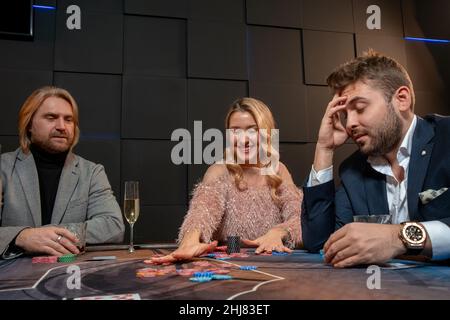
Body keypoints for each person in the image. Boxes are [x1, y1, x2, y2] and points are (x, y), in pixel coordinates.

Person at [301, 50, 450, 267]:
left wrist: (397, 238)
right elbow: (319, 242)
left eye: (360, 108)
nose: (350, 123)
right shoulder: (353, 170)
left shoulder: (446, 136)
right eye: (345, 114)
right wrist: (324, 149)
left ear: (401, 99)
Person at [153, 97, 303, 263]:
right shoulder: (219, 171)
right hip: (233, 266)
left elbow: (300, 218)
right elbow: (201, 213)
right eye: (235, 131)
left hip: (276, 265)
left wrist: (278, 232)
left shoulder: (278, 170)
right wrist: (188, 243)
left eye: (252, 130)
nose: (244, 139)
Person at [0, 86, 125, 259]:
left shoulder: (92, 172)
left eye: (68, 120)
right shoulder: (3, 168)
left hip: (70, 278)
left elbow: (113, 226)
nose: (61, 126)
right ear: (29, 124)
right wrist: (23, 237)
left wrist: (50, 234)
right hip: (12, 281)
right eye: (51, 117)